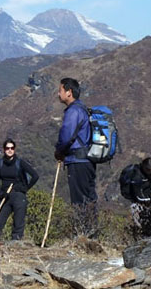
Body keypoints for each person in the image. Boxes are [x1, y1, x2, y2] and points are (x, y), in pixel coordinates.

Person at [53, 77, 96, 236]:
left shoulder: (73, 111)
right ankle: (91, 233)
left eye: (60, 90)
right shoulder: (82, 109)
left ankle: (83, 235)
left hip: (77, 160)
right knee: (89, 198)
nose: (58, 94)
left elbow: (66, 136)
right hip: (87, 160)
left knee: (79, 200)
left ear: (69, 92)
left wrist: (59, 151)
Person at [0, 139, 39, 240]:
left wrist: (24, 189)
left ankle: (16, 242)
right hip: (5, 196)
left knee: (18, 222)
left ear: (14, 149)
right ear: (4, 150)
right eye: (7, 148)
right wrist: (0, 193)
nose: (10, 150)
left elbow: (35, 176)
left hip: (18, 195)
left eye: (12, 148)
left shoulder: (20, 162)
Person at [122, 158, 151, 236]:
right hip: (136, 199)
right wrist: (149, 200)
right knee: (139, 220)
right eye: (150, 170)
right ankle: (141, 233)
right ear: (145, 168)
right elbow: (138, 194)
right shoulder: (136, 176)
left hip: (146, 195)